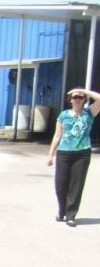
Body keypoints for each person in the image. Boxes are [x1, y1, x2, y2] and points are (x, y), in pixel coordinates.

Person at [46, 87, 100, 227]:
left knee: (76, 185)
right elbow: (57, 135)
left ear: (84, 100)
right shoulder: (63, 115)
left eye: (80, 97)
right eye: (74, 97)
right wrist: (50, 154)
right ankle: (62, 210)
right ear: (70, 99)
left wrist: (83, 90)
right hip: (64, 152)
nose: (77, 99)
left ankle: (71, 215)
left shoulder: (89, 113)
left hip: (82, 153)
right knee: (60, 185)